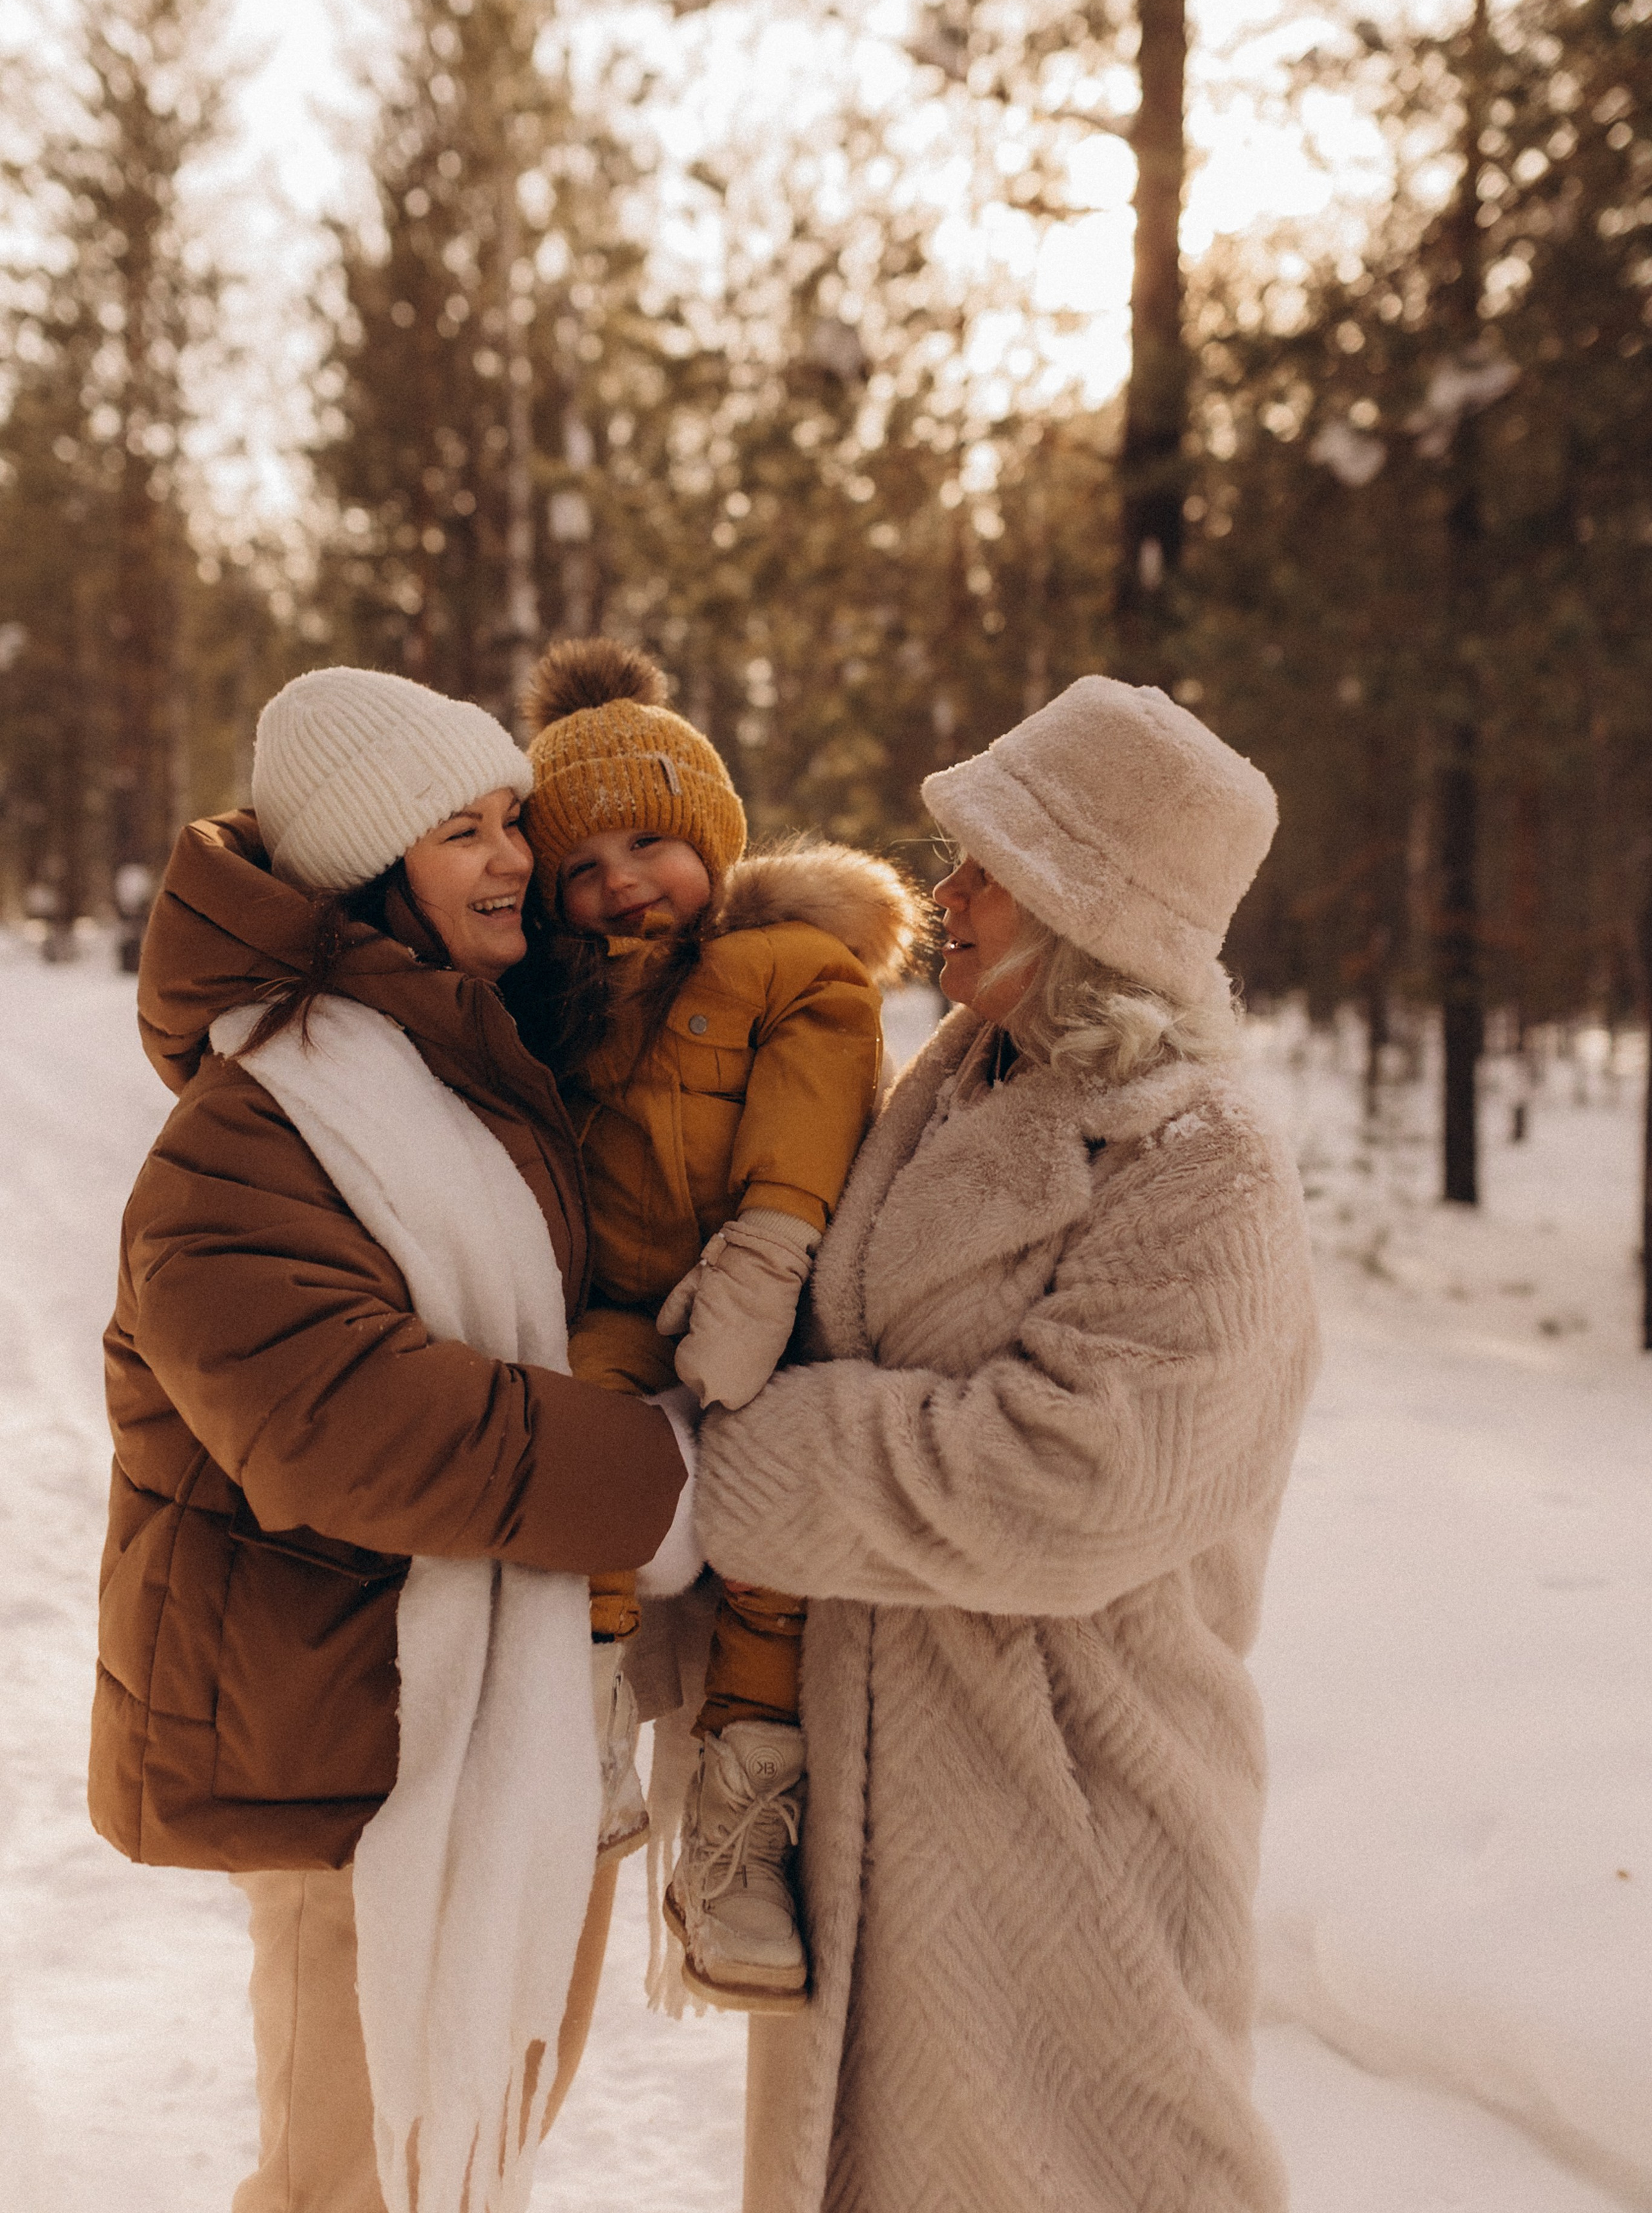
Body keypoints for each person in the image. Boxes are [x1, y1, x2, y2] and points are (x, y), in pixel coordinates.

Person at [693, 675, 1322, 2213]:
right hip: (883, 1793)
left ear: (1085, 903)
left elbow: (1070, 1484)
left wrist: (730, 1470)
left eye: (988, 864)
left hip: (1071, 1811)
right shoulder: (963, 1075)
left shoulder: (1205, 1164)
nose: (943, 891)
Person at [90, 665, 695, 2213]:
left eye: (512, 822)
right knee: (344, 2187)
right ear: (369, 871)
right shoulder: (252, 1133)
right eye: (460, 831)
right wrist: (664, 1481)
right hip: (351, 1741)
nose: (514, 859)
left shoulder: (469, 1073)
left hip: (507, 1723)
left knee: (469, 2158)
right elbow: (341, 1426)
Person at [512, 637, 922, 2012]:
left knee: (773, 1559)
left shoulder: (791, 968)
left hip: (770, 1306)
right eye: (584, 863)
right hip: (623, 1311)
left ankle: (738, 1833)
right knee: (581, 1453)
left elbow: (812, 1116)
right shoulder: (563, 1000)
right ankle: (582, 1734)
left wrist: (765, 1254)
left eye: (649, 841)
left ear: (711, 839)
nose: (620, 878)